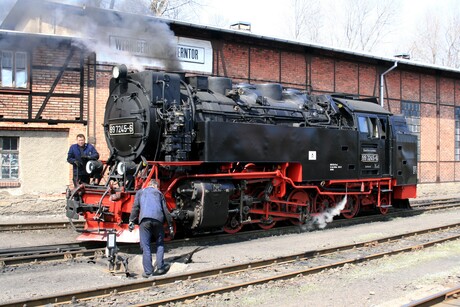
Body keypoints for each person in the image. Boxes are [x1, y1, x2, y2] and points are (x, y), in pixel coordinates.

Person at [129, 179, 174, 278]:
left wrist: (131, 221)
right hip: (158, 220)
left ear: (149, 185)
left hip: (144, 221)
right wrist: (170, 225)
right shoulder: (159, 193)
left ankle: (148, 272)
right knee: (160, 243)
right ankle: (160, 267)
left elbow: (135, 207)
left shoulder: (140, 192)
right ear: (155, 186)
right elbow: (165, 210)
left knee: (145, 246)